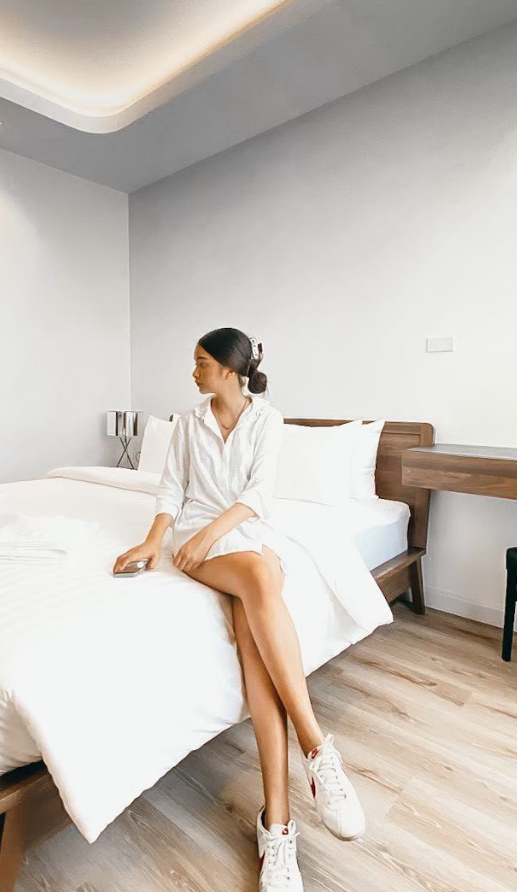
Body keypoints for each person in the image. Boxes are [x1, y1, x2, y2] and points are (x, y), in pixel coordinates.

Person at [114, 328, 365, 892]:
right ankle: (317, 748)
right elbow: (169, 493)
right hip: (205, 547)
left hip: (244, 535)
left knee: (255, 629)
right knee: (260, 575)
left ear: (230, 370)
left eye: (201, 362)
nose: (193, 372)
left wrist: (212, 536)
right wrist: (161, 542)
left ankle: (276, 824)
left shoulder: (267, 421)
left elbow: (258, 495)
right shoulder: (187, 422)